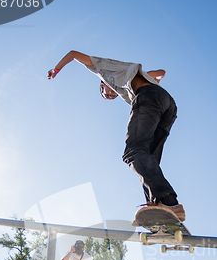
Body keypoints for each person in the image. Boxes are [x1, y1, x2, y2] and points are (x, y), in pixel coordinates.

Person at [48, 51, 185, 221]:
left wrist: (56, 70)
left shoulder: (102, 68)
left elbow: (74, 54)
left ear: (102, 84)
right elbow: (161, 72)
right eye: (111, 97)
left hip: (149, 97)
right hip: (168, 105)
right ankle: (159, 206)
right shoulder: (132, 76)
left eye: (107, 93)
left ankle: (168, 202)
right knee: (148, 158)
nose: (111, 95)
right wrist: (155, 80)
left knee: (133, 151)